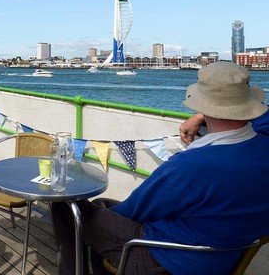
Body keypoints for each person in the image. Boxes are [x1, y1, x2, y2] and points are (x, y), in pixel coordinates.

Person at [52, 62, 269, 275]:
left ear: (202, 105)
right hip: (224, 259)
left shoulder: (192, 165)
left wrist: (104, 217)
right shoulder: (262, 147)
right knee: (100, 207)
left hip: (164, 261)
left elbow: (132, 212)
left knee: (67, 207)